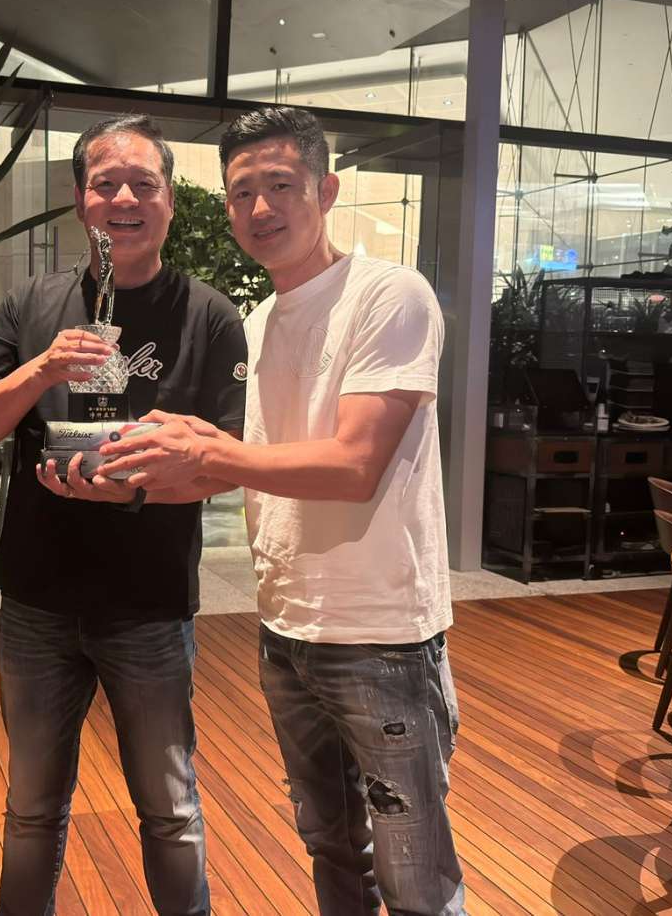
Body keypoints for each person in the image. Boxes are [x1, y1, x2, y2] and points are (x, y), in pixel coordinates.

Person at [99, 106, 465, 916]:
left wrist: (209, 451)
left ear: (324, 190)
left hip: (381, 634)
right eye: (241, 193)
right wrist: (129, 475)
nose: (260, 208)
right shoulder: (258, 321)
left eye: (280, 185)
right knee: (330, 843)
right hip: (287, 629)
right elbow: (255, 464)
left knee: (413, 876)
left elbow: (354, 465)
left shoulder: (389, 294)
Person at [0, 114, 247, 916]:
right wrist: (42, 368)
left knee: (170, 807)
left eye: (142, 183)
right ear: (81, 200)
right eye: (104, 183)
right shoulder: (33, 301)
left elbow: (224, 462)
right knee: (30, 808)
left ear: (169, 200)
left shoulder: (209, 316)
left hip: (149, 603)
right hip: (36, 599)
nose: (123, 198)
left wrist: (136, 489)